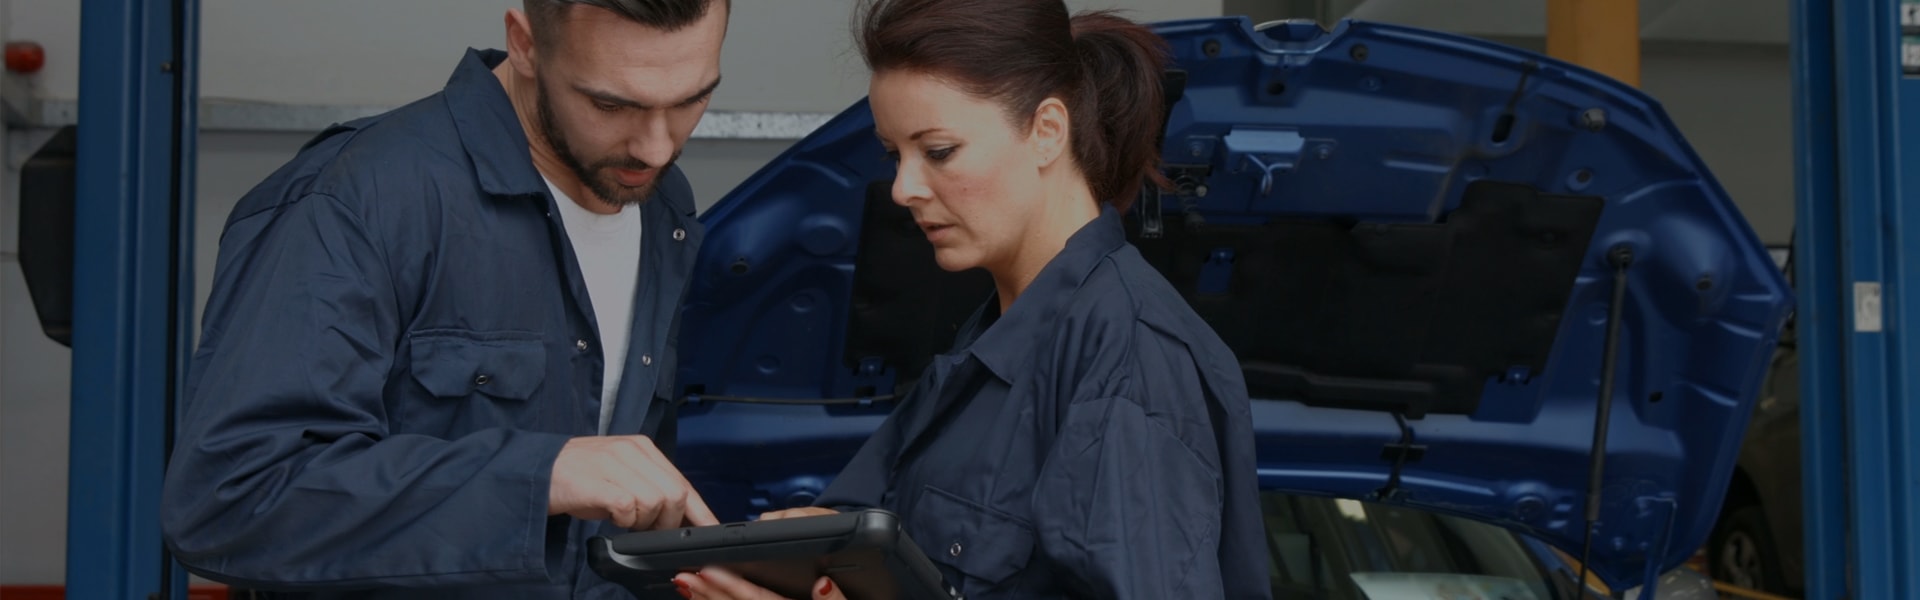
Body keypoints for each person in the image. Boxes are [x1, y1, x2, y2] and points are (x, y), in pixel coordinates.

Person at [676, 1, 1270, 599]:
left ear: (1047, 131)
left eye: (937, 152)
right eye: (894, 155)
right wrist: (827, 543)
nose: (904, 189)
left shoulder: (1131, 362)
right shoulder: (992, 344)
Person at [159, 1, 730, 597]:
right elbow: (231, 500)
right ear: (525, 44)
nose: (657, 148)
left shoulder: (662, 207)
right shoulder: (357, 201)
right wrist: (543, 474)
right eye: (612, 105)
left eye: (692, 99)